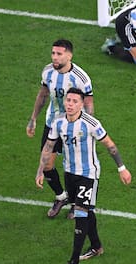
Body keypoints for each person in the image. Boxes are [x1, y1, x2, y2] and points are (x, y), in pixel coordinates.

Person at [35, 87, 132, 264]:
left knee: (80, 214)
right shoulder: (58, 123)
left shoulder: (91, 123)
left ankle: (73, 262)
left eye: (74, 101)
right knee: (86, 210)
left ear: (81, 104)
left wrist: (122, 168)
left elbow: (110, 145)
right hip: (70, 173)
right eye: (68, 100)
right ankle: (96, 246)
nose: (70, 104)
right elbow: (48, 146)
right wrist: (40, 170)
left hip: (88, 174)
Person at [27, 39, 94, 219]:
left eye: (59, 54)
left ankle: (75, 203)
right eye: (53, 53)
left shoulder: (81, 78)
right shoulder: (48, 71)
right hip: (52, 124)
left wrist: (88, 128)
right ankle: (61, 196)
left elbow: (88, 105)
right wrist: (33, 118)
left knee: (74, 169)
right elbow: (43, 95)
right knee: (47, 163)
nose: (54, 57)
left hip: (74, 128)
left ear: (69, 55)